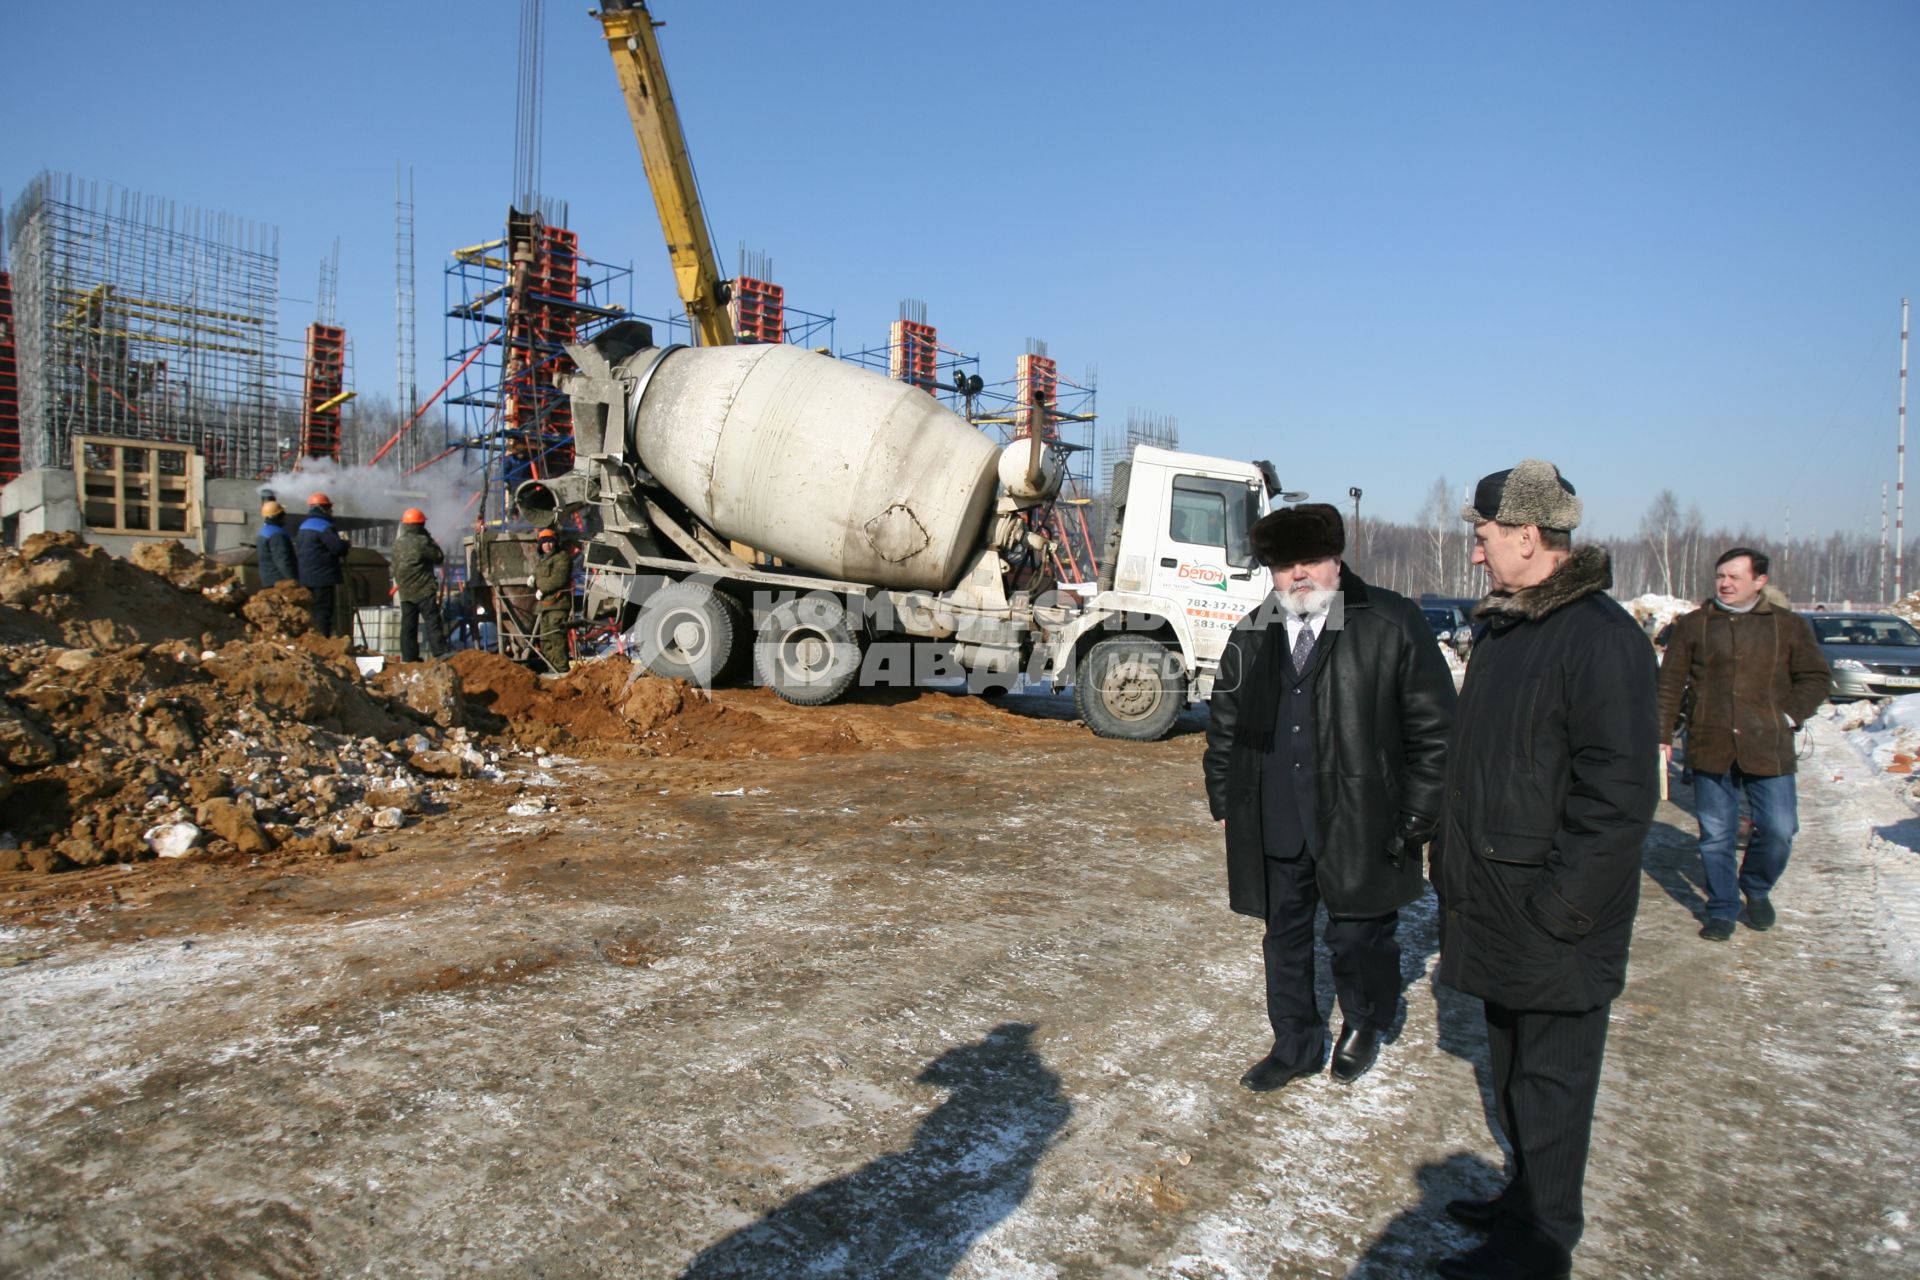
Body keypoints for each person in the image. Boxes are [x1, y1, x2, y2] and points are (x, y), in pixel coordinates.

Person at [1433, 460, 1658, 1280]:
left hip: (1554, 922)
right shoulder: (1508, 627)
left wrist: (1562, 910)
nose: (1478, 553)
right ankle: (1523, 1200)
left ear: (1530, 537)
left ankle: (1541, 1244)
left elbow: (1620, 797)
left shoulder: (1601, 640)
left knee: (1554, 1091)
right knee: (1517, 1081)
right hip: (1500, 905)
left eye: (1485, 537)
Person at [1204, 503, 1455, 1093]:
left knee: (1358, 936)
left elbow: (1434, 728)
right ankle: (1294, 1041)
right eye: (1285, 565)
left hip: (1361, 817)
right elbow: (1225, 724)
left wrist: (1420, 810)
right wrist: (1227, 800)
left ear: (1336, 562)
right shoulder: (1252, 632)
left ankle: (1364, 1023)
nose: (1299, 576)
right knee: (1284, 937)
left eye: (1311, 561)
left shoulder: (1388, 623)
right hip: (1276, 817)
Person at [1656, 547, 1829, 941]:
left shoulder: (1788, 626)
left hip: (1769, 746)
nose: (1725, 583)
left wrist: (1787, 716)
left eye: (1735, 576)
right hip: (1711, 743)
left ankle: (1756, 886)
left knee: (1780, 828)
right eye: (1721, 576)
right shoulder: (1695, 624)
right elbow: (1669, 684)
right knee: (1716, 834)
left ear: (1759, 581)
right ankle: (1721, 907)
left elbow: (1816, 678)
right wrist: (1662, 735)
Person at [390, 508, 452, 663]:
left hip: (405, 591)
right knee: (432, 620)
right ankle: (440, 652)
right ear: (421, 524)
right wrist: (429, 538)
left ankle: (409, 657)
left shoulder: (398, 543)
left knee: (408, 625)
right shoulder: (423, 541)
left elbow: (393, 568)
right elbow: (438, 557)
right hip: (423, 589)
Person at [294, 491, 350, 637]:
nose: (331, 511)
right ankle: (322, 640)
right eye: (329, 507)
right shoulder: (324, 526)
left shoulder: (303, 526)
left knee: (311, 610)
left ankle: (311, 639)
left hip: (305, 576)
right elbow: (337, 548)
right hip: (323, 577)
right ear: (323, 508)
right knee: (323, 611)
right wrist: (345, 544)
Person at [532, 528, 572, 675]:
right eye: (545, 543)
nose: (548, 545)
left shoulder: (562, 557)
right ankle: (552, 669)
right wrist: (532, 578)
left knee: (557, 639)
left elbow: (558, 578)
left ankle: (561, 671)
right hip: (544, 606)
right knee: (545, 641)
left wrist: (541, 589)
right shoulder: (542, 560)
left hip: (558, 605)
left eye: (550, 542)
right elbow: (539, 575)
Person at [256, 500, 296, 588]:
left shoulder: (263, 531)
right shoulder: (277, 534)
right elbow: (282, 560)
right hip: (280, 581)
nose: (285, 517)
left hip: (268, 579)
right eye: (283, 515)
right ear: (278, 516)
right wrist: (292, 579)